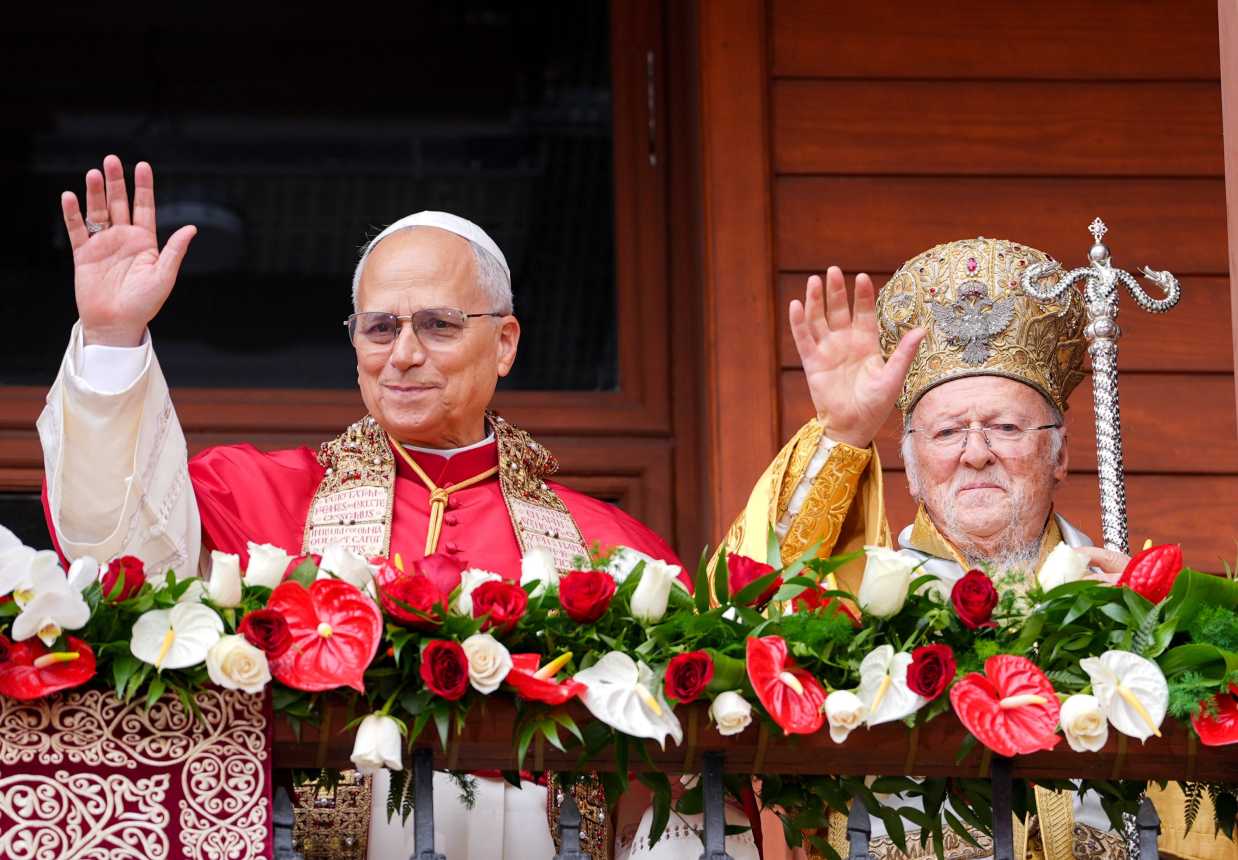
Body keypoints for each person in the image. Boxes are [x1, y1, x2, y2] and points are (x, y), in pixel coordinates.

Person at [37, 155, 841, 860]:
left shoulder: (614, 548)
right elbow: (124, 559)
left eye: (438, 324)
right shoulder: (254, 497)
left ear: (506, 342)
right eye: (380, 326)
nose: (404, 353)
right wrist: (112, 339)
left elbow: (685, 786)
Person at [723, 237, 1233, 860]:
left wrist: (1166, 619)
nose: (975, 452)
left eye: (1007, 427)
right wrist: (846, 432)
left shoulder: (1124, 593)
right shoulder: (862, 594)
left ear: (1061, 455)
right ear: (909, 467)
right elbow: (752, 613)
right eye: (945, 432)